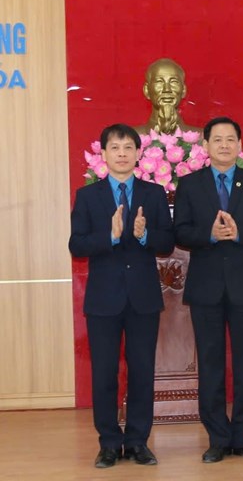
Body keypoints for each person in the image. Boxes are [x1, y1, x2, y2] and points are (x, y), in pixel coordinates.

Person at [69, 123, 175, 468]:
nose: (122, 154)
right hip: (103, 299)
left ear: (138, 153)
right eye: (115, 148)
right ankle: (109, 443)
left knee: (143, 370)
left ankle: (138, 442)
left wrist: (144, 236)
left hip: (143, 297)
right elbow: (77, 244)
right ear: (104, 154)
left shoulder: (153, 193)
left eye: (129, 147)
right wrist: (110, 236)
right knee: (104, 373)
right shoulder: (88, 196)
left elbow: (167, 243)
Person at [173, 116, 243, 463]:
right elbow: (180, 232)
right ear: (205, 145)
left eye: (230, 139)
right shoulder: (189, 184)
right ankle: (218, 437)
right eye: (216, 139)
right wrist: (208, 235)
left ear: (239, 145)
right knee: (211, 364)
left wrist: (239, 234)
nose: (223, 145)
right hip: (206, 289)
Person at [134, 58, 202, 136]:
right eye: (159, 81)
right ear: (146, 90)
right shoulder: (131, 138)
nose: (167, 89)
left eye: (173, 82)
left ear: (183, 90)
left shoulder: (202, 137)